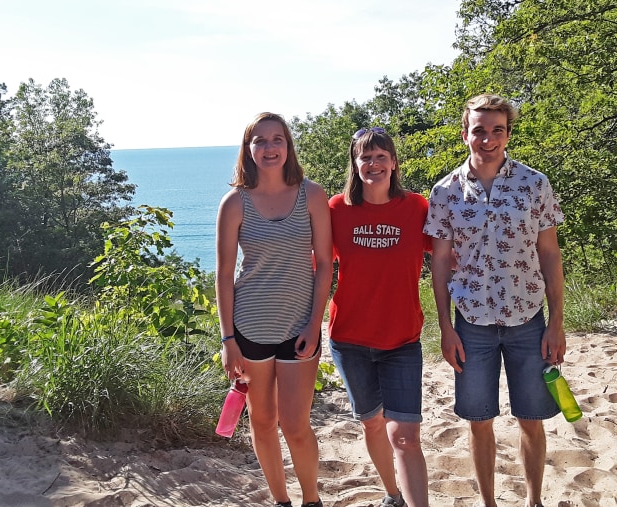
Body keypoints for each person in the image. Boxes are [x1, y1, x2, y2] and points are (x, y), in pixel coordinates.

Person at [424, 94, 566, 507]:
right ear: (465, 132)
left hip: (528, 319)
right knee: (479, 421)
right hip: (471, 323)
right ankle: (488, 502)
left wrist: (556, 322)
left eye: (497, 131)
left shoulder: (534, 183)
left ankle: (533, 501)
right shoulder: (445, 191)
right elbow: (439, 266)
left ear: (508, 133)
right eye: (479, 130)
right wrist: (445, 327)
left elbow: (550, 254)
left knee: (532, 419)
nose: (488, 139)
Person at [215, 112, 332, 507]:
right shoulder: (234, 203)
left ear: (288, 146)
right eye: (259, 140)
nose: (269, 148)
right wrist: (227, 339)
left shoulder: (312, 195)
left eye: (276, 139)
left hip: (300, 326)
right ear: (248, 149)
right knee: (263, 423)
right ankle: (281, 501)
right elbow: (224, 275)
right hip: (249, 328)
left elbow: (325, 264)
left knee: (297, 425)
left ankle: (311, 500)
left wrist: (316, 324)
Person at [328, 127, 432, 507]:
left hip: (402, 340)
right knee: (371, 422)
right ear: (355, 165)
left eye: (381, 156)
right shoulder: (336, 209)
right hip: (350, 340)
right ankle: (393, 495)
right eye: (365, 157)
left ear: (394, 163)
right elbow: (318, 267)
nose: (373, 164)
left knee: (405, 435)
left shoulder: (417, 207)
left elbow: (446, 256)